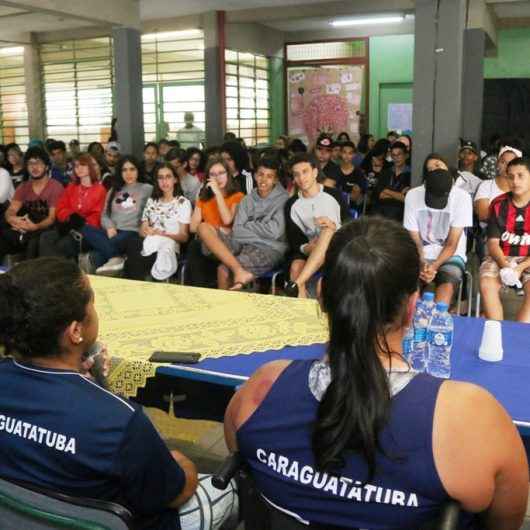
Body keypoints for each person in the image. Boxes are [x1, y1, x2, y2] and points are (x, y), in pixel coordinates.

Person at [224, 216, 528, 530]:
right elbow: (505, 522)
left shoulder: (260, 390)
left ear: (322, 294)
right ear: (412, 307)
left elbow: (245, 464)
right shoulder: (472, 418)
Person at [0, 257, 238, 530]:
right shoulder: (119, 421)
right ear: (75, 331)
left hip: (20, 515)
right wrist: (183, 463)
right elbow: (175, 493)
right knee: (228, 490)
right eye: (91, 301)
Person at [197, 157, 288, 290]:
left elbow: (275, 232)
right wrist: (256, 230)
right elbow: (238, 230)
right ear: (255, 175)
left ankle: (229, 304)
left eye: (269, 176)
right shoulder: (247, 199)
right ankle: (239, 270)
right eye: (261, 175)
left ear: (275, 179)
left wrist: (249, 225)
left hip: (269, 249)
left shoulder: (284, 200)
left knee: (223, 271)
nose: (263, 180)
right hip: (242, 244)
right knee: (203, 227)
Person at [284, 153, 350, 298]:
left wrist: (334, 226)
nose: (301, 178)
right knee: (295, 267)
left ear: (315, 172)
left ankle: (298, 283)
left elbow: (350, 227)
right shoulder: (291, 205)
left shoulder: (335, 195)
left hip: (337, 247)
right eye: (296, 175)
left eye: (305, 172)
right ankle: (300, 315)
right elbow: (295, 241)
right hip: (310, 250)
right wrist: (309, 247)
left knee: (327, 230)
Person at [404, 168, 473, 305]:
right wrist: (423, 263)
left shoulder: (462, 198)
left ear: (451, 189)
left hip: (451, 254)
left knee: (446, 289)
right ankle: (411, 321)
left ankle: (437, 320)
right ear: (424, 185)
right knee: (409, 293)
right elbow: (415, 240)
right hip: (419, 253)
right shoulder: (412, 195)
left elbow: (452, 243)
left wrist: (434, 266)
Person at [81, 156, 152, 275]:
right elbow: (104, 214)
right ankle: (116, 258)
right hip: (112, 231)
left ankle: (108, 259)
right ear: (120, 172)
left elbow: (154, 209)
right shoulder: (114, 190)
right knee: (85, 229)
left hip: (131, 231)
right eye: (124, 170)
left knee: (99, 254)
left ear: (138, 170)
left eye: (132, 169)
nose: (128, 173)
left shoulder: (147, 188)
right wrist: (109, 226)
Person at [479, 157, 530, 323]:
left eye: (521, 175)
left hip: (527, 260)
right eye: (511, 176)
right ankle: (497, 332)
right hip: (501, 256)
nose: (515, 181)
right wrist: (506, 266)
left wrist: (519, 268)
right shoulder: (498, 204)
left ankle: (521, 335)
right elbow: (493, 244)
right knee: (487, 283)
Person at [124, 164, 191, 282]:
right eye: (160, 177)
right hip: (150, 242)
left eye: (168, 177)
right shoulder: (152, 200)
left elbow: (184, 237)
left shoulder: (183, 202)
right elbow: (142, 230)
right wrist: (147, 231)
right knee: (132, 243)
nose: (164, 181)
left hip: (169, 245)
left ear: (175, 179)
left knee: (134, 261)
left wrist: (163, 234)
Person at [186, 158, 244, 288]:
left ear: (228, 174)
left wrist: (218, 193)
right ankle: (199, 290)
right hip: (207, 242)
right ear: (208, 178)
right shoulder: (204, 199)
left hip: (228, 244)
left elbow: (227, 220)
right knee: (195, 244)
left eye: (221, 173)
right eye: (213, 174)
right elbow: (193, 227)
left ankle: (200, 288)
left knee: (196, 246)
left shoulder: (238, 196)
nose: (217, 178)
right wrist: (214, 229)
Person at [0, 147, 64, 262]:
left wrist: (35, 227)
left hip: (46, 228)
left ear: (47, 166)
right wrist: (12, 219)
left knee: (35, 240)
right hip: (24, 227)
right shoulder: (24, 187)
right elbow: (11, 209)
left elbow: (51, 218)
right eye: (30, 163)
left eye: (38, 163)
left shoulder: (55, 187)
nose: (34, 167)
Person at [39, 153, 107, 260]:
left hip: (87, 232)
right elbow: (61, 208)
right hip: (68, 226)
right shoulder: (71, 187)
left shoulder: (100, 190)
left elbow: (98, 215)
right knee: (45, 237)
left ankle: (58, 272)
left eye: (82, 165)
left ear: (90, 167)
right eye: (76, 166)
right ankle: (51, 271)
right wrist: (70, 216)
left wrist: (81, 222)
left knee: (63, 244)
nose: (78, 168)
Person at [475, 145, 522, 230]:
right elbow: (483, 215)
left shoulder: (523, 190)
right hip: (489, 234)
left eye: (511, 163)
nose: (506, 166)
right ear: (497, 163)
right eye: (503, 162)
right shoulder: (486, 185)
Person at [371, 141, 411, 222]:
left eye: (399, 154)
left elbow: (406, 199)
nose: (396, 158)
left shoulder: (411, 174)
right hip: (381, 211)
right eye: (393, 155)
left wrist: (386, 190)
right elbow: (379, 195)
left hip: (400, 213)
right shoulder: (385, 172)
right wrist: (398, 194)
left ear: (406, 155)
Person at [337, 141, 367, 210]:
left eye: (350, 153)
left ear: (354, 155)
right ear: (340, 153)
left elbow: (355, 197)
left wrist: (340, 194)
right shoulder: (334, 170)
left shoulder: (358, 173)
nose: (347, 156)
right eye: (344, 152)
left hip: (351, 208)